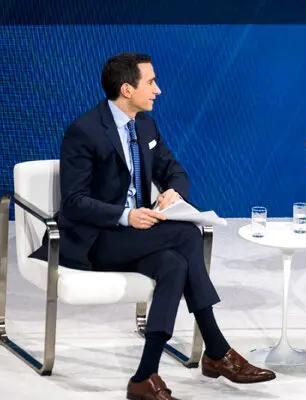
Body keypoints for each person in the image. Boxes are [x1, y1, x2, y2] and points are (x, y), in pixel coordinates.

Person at [31, 52, 275, 400]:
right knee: (186, 234)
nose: (158, 90)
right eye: (151, 82)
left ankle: (145, 376)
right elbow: (74, 201)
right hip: (93, 239)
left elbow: (174, 170)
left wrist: (174, 191)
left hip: (134, 237)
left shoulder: (145, 125)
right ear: (127, 89)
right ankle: (217, 350)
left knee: (174, 265)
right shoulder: (84, 131)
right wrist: (125, 215)